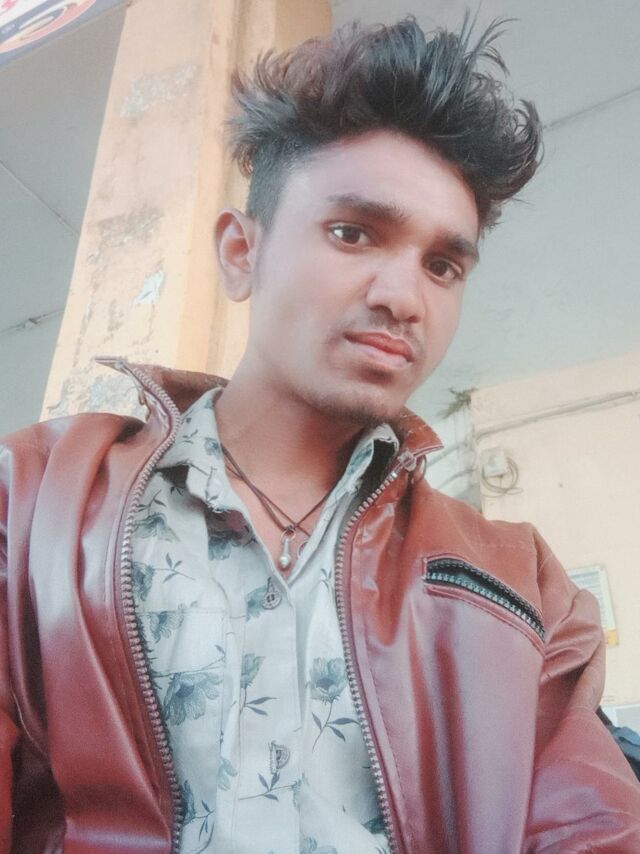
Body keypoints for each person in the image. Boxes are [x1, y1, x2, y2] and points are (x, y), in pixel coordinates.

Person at [1, 15, 639, 854]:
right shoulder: (34, 503)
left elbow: (591, 827)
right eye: (353, 233)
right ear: (241, 253)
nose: (404, 298)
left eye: (442, 265)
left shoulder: (521, 583)